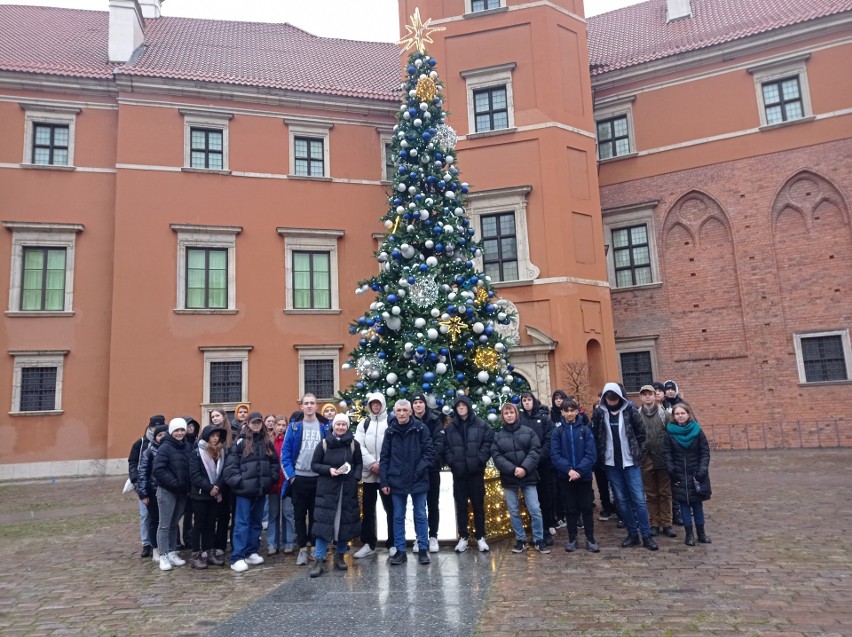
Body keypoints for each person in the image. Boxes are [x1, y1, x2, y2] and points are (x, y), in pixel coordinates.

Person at [591, 383, 658, 551]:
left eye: (614, 397)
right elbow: (597, 435)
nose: (611, 401)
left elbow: (641, 434)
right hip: (611, 463)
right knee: (621, 501)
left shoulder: (630, 410)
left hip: (630, 463)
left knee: (639, 500)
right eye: (608, 397)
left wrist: (637, 454)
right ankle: (632, 534)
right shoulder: (600, 412)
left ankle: (646, 535)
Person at [380, 399, 435, 566]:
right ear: (394, 412)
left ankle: (423, 550)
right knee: (397, 516)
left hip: (418, 478)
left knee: (420, 514)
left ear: (410, 412)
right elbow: (385, 457)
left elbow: (429, 452)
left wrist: (418, 470)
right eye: (399, 411)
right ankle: (400, 550)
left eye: (405, 410)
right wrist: (384, 481)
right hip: (396, 479)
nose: (402, 413)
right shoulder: (390, 432)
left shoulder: (420, 429)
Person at [308, 413, 363, 577]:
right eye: (338, 424)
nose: (340, 427)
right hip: (327, 491)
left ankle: (340, 557)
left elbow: (359, 464)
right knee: (323, 525)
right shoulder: (324, 444)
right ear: (333, 426)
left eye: (343, 425)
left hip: (346, 489)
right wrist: (328, 470)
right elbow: (314, 465)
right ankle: (319, 560)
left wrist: (355, 477)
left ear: (347, 427)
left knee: (343, 525)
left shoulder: (354, 444)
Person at [224, 411, 279, 572]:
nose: (256, 424)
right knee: (242, 523)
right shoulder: (239, 443)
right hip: (244, 491)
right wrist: (240, 483)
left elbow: (274, 463)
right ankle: (237, 557)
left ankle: (250, 551)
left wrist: (271, 479)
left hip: (261, 490)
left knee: (256, 523)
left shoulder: (266, 442)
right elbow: (230, 468)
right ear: (248, 423)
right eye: (253, 422)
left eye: (258, 422)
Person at [491, 402, 549, 554]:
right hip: (510, 479)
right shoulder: (498, 436)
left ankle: (538, 539)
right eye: (506, 413)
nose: (509, 415)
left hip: (528, 476)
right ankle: (520, 539)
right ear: (503, 416)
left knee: (535, 509)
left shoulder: (528, 432)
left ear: (516, 414)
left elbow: (535, 450)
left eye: (511, 412)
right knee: (514, 510)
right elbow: (497, 456)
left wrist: (524, 468)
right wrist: (512, 469)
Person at [280, 393, 328, 566]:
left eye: (312, 403)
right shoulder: (294, 428)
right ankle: (302, 548)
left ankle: (315, 548)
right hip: (299, 478)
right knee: (299, 516)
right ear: (301, 406)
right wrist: (291, 477)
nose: (309, 406)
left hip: (318, 479)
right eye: (306, 403)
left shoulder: (324, 428)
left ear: (316, 406)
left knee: (316, 515)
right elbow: (284, 454)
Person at [442, 395, 494, 553]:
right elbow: (445, 448)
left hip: (475, 472)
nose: (461, 408)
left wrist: (480, 460)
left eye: (464, 405)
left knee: (478, 506)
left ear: (468, 407)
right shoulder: (450, 428)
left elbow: (488, 442)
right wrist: (452, 462)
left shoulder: (481, 424)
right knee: (461, 506)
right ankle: (463, 536)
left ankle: (480, 536)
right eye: (458, 406)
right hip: (459, 474)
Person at [552, 398, 600, 552]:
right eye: (566, 410)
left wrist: (579, 470)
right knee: (570, 509)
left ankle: (590, 538)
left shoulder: (585, 430)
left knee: (586, 508)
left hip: (583, 477)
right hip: (566, 477)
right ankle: (572, 539)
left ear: (577, 411)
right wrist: (569, 470)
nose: (570, 413)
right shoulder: (557, 432)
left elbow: (591, 454)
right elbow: (555, 455)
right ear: (562, 412)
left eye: (572, 410)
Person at [353, 392, 395, 558]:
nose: (376, 407)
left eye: (378, 404)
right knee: (368, 509)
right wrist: (372, 464)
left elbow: (394, 446)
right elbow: (358, 445)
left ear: (383, 404)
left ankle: (392, 543)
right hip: (369, 473)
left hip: (386, 474)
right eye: (373, 404)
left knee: (390, 509)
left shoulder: (391, 422)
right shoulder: (364, 424)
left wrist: (382, 466)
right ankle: (369, 543)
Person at [666, 402, 712, 547]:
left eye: (682, 413)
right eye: (677, 414)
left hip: (696, 474)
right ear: (673, 416)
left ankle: (701, 533)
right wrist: (672, 472)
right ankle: (689, 535)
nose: (680, 416)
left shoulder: (697, 430)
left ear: (688, 414)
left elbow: (704, 452)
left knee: (697, 505)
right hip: (679, 475)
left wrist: (702, 470)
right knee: (684, 506)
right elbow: (667, 454)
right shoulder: (669, 432)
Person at [153, 418, 192, 571]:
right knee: (164, 524)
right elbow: (159, 470)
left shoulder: (187, 446)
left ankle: (172, 552)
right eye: (177, 430)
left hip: (182, 491)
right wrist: (175, 483)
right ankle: (163, 555)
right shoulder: (165, 447)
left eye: (182, 430)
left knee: (174, 523)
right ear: (171, 432)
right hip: (167, 491)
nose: (180, 433)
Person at [637, 385, 676, 538]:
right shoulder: (637, 415)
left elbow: (671, 435)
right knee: (651, 494)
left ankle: (667, 523)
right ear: (640, 397)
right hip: (645, 459)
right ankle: (653, 523)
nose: (647, 397)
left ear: (655, 396)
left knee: (665, 493)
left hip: (662, 458)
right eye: (644, 394)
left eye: (650, 394)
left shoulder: (665, 415)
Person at [188, 423, 228, 568]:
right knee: (199, 524)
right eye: (212, 435)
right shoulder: (197, 452)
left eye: (217, 436)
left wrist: (218, 486)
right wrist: (210, 487)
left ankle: (209, 551)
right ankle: (196, 555)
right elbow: (195, 475)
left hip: (215, 494)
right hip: (200, 494)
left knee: (211, 524)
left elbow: (223, 472)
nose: (215, 438)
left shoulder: (222, 452)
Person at [519, 391, 556, 545]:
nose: (527, 402)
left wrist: (539, 457)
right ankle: (534, 529)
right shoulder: (519, 419)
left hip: (542, 464)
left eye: (529, 400)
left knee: (545, 497)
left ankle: (546, 528)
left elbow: (550, 438)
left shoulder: (544, 418)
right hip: (526, 465)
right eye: (524, 400)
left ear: (533, 401)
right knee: (531, 499)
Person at [412, 393, 445, 553]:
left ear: (425, 404)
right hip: (415, 471)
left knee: (433, 504)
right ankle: (420, 537)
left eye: (420, 402)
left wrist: (427, 463)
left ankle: (433, 536)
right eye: (415, 402)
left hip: (431, 469)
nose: (418, 405)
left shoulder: (434, 419)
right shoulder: (409, 421)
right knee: (418, 506)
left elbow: (438, 444)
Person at [128, 415, 164, 558]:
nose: (156, 429)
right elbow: (133, 462)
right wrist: (135, 480)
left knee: (160, 517)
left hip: (160, 486)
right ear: (149, 428)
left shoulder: (166, 443)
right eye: (154, 427)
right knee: (145, 516)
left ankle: (159, 543)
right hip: (144, 485)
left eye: (159, 426)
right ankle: (146, 544)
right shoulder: (141, 443)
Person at [137, 423, 168, 563]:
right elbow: (142, 473)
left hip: (168, 491)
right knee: (154, 520)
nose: (162, 437)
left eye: (164, 434)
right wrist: (143, 494)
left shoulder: (170, 449)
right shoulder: (148, 451)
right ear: (155, 437)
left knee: (167, 521)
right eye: (160, 435)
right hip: (153, 491)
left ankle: (167, 549)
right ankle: (155, 548)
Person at [266, 415, 286, 556]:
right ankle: (272, 544)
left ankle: (288, 542)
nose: (280, 427)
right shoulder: (268, 442)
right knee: (273, 514)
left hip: (286, 482)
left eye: (283, 425)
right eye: (278, 424)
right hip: (273, 483)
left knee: (287, 514)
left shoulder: (288, 440)